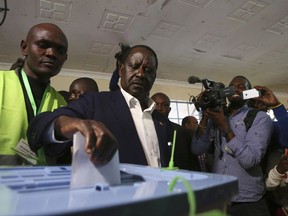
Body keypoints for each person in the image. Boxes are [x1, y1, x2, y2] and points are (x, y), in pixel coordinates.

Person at [27, 45, 173, 167]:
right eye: (134, 67)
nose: (140, 74)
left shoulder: (161, 120)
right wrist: (68, 124)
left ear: (154, 77)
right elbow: (39, 124)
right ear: (121, 70)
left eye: (147, 70)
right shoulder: (94, 102)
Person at [191, 75, 273, 216]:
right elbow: (197, 149)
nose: (235, 88)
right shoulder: (217, 115)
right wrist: (205, 115)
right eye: (232, 86)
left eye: (242, 87)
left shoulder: (260, 118)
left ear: (249, 93)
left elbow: (250, 160)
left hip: (247, 202)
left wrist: (225, 127)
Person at [0, 23, 68, 165]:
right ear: (25, 48)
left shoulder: (62, 102)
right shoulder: (1, 82)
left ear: (64, 59)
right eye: (43, 45)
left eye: (60, 50)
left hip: (42, 184)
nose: (51, 53)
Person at [151, 92, 201, 171]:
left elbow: (192, 163)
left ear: (169, 109)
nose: (159, 108)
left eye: (164, 105)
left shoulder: (180, 132)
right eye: (155, 104)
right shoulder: (140, 129)